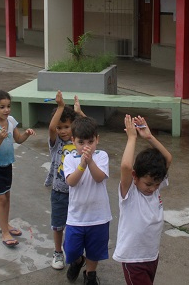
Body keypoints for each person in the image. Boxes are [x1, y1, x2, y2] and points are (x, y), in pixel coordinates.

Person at [113, 114, 172, 285]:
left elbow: (167, 159)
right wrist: (132, 138)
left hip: (152, 255)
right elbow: (125, 166)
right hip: (134, 259)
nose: (153, 188)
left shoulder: (154, 186)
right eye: (148, 184)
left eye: (157, 184)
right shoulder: (130, 193)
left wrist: (149, 137)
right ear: (135, 177)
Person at [0, 90, 35, 248]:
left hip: (7, 165)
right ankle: (4, 232)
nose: (6, 110)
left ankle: (6, 225)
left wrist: (26, 133)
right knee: (1, 199)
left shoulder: (11, 120)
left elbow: (18, 139)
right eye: (2, 107)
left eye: (8, 106)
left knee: (7, 197)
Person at [63, 116, 111, 285]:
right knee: (71, 249)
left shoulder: (102, 156)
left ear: (97, 139)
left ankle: (90, 273)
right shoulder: (69, 158)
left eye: (90, 142)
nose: (86, 147)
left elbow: (99, 178)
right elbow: (71, 181)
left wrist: (90, 162)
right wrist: (82, 164)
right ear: (73, 141)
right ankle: (77, 261)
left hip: (99, 216)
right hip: (77, 217)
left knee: (95, 251)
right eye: (81, 142)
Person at [45, 91, 86, 270]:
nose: (62, 131)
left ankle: (73, 252)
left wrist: (79, 112)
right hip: (59, 192)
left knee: (75, 226)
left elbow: (90, 128)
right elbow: (51, 129)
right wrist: (61, 107)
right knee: (58, 225)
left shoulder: (79, 143)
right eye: (60, 127)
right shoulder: (57, 144)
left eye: (66, 127)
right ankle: (57, 252)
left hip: (77, 192)